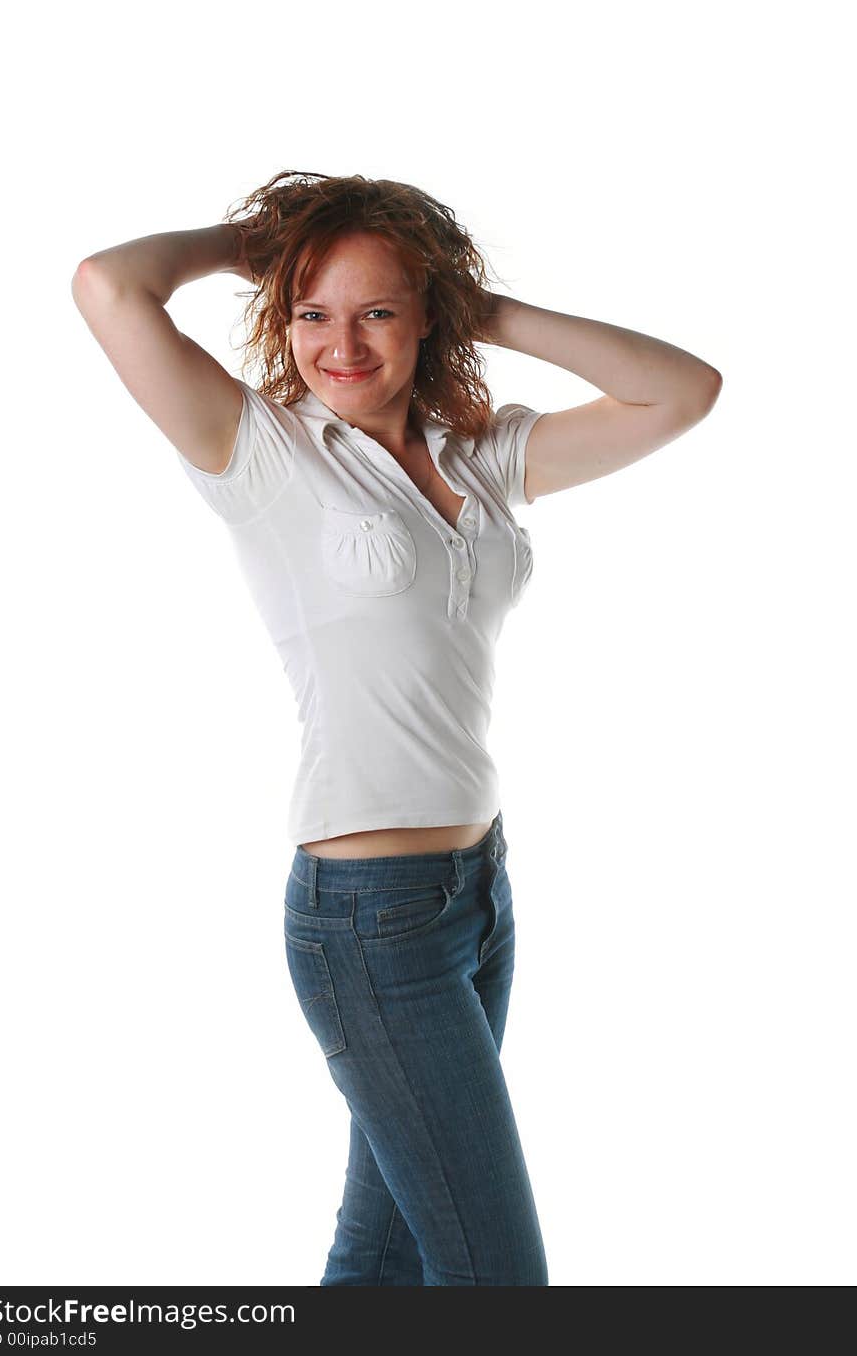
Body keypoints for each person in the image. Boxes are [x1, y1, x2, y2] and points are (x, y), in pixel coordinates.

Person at [71, 170, 722, 1285]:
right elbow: (108, 285)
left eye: (377, 309)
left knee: (378, 1261)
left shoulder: (481, 454)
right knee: (494, 1279)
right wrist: (260, 242)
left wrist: (482, 305)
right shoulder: (264, 454)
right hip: (367, 923)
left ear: (427, 315)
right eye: (311, 313)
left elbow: (682, 391)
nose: (343, 344)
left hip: (477, 894)